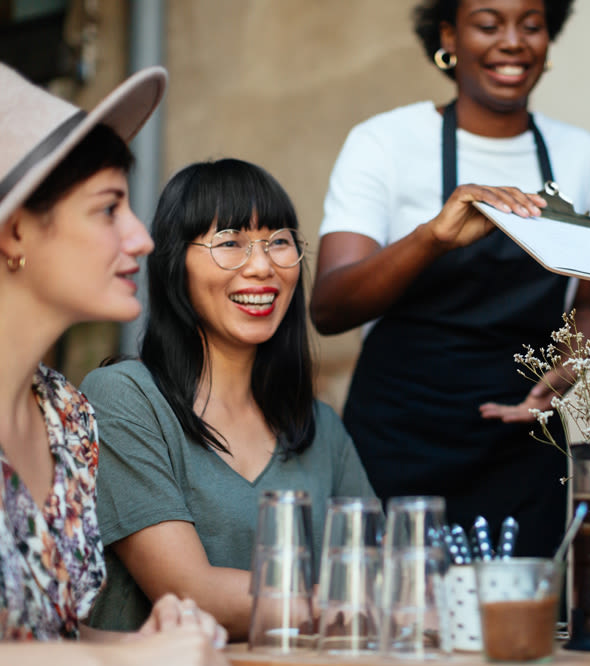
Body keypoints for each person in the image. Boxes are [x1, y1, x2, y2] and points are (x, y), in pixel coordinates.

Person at [309, 0, 590, 558]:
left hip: (522, 448)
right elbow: (329, 307)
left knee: (521, 634)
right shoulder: (385, 143)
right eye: (489, 24)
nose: (513, 42)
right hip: (399, 442)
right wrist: (433, 237)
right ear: (449, 33)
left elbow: (587, 308)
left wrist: (563, 379)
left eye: (531, 24)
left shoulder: (581, 157)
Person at [80, 158, 376, 640]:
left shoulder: (323, 428)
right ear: (176, 263)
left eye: (279, 241)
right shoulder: (124, 398)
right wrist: (357, 606)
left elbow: (382, 574)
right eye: (230, 242)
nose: (262, 266)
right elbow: (191, 593)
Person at [0, 64, 225, 663]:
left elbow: (43, 643)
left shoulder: (67, 416)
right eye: (108, 210)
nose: (142, 238)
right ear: (15, 231)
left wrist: (147, 643)